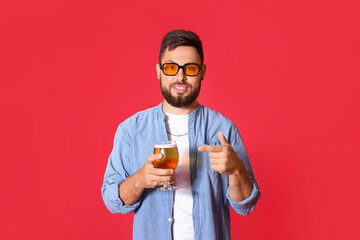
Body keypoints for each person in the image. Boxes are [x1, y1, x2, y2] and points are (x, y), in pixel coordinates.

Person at [101, 29, 261, 240]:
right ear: (159, 71)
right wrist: (140, 179)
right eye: (171, 67)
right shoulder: (131, 130)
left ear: (202, 71)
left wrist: (237, 170)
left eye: (190, 68)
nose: (180, 77)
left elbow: (245, 205)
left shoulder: (223, 129)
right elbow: (112, 201)